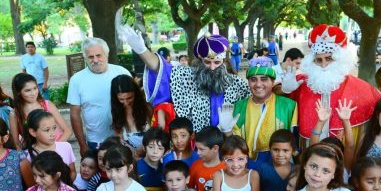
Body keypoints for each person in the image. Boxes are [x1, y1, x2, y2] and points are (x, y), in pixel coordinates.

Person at [120, 27, 250, 132]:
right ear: (200, 60)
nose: (212, 67)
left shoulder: (236, 83)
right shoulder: (185, 76)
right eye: (207, 62)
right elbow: (161, 68)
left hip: (225, 146)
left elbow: (252, 106)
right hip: (193, 145)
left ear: (224, 61)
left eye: (217, 62)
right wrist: (142, 50)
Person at [281, 24, 380, 148]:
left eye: (329, 59)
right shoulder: (303, 83)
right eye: (318, 60)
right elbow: (279, 99)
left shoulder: (361, 87)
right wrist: (285, 89)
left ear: (340, 59)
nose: (323, 65)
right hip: (310, 147)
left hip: (341, 147)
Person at [220, 56, 298, 163]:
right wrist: (227, 132)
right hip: (248, 165)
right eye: (253, 79)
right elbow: (234, 145)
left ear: (272, 81)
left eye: (264, 79)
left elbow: (296, 144)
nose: (258, 84)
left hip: (280, 165)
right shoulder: (238, 107)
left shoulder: (289, 106)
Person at [67, 37, 131, 157]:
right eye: (91, 57)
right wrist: (82, 144)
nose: (95, 60)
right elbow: (74, 114)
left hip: (124, 137)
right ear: (85, 58)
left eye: (99, 55)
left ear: (106, 54)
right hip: (95, 140)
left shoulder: (122, 72)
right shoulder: (77, 80)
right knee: (98, 175)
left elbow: (133, 104)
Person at [11, 72, 72, 144]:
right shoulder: (15, 114)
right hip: (33, 152)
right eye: (28, 90)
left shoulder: (48, 105)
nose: (33, 93)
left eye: (35, 88)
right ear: (18, 92)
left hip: (55, 150)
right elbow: (16, 143)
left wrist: (55, 149)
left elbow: (68, 131)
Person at [24, 109, 77, 181]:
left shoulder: (66, 146)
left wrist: (63, 189)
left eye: (54, 128)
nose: (53, 134)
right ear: (33, 132)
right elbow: (30, 182)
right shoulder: (27, 155)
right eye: (47, 130)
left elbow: (73, 172)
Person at [189, 126, 225, 191]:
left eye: (202, 149)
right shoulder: (195, 166)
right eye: (197, 149)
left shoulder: (226, 168)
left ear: (215, 148)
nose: (198, 153)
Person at [311, 99, 357, 172]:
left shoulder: (344, 169)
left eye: (333, 155)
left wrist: (346, 120)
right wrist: (321, 121)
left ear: (342, 157)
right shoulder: (316, 164)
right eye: (325, 152)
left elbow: (350, 146)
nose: (329, 157)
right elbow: (313, 146)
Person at [110, 74, 151, 154]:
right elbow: (119, 136)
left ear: (136, 94)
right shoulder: (116, 111)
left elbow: (157, 133)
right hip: (130, 155)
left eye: (129, 98)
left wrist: (144, 146)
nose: (126, 103)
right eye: (121, 99)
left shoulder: (147, 108)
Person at [136, 127, 170, 191]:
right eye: (151, 147)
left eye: (160, 148)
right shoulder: (135, 167)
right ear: (144, 147)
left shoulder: (166, 170)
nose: (155, 151)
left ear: (166, 151)